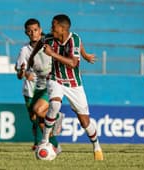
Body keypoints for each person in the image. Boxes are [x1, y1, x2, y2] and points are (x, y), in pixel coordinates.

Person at [39, 14, 104, 160]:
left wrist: (53, 54)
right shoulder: (49, 38)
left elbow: (73, 63)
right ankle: (44, 141)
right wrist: (31, 60)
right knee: (54, 104)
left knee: (85, 122)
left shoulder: (74, 39)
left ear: (62, 29)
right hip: (55, 79)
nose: (51, 28)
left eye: (53, 26)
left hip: (74, 84)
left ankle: (96, 146)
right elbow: (40, 42)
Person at [15, 18, 62, 152]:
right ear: (26, 33)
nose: (33, 33)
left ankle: (57, 116)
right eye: (30, 31)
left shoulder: (49, 43)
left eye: (35, 30)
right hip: (30, 90)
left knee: (39, 111)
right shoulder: (25, 50)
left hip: (48, 85)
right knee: (36, 120)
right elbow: (18, 73)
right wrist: (23, 73)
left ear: (40, 30)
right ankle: (55, 146)